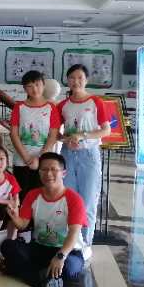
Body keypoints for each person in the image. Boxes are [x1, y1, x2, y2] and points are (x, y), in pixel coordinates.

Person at [0, 152, 87, 287]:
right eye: (44, 169)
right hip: (39, 248)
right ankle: (44, 278)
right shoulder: (33, 195)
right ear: (39, 172)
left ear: (63, 173)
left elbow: (74, 233)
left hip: (67, 251)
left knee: (70, 268)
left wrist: (60, 256)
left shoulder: (74, 199)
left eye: (53, 169)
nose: (48, 174)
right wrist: (14, 216)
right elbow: (22, 225)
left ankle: (25, 272)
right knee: (7, 246)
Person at [58, 64, 111, 260]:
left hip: (89, 155)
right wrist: (66, 139)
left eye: (80, 77)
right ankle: (71, 241)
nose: (76, 81)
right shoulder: (62, 105)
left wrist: (83, 135)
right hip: (67, 155)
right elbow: (56, 134)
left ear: (86, 80)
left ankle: (86, 243)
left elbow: (106, 130)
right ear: (67, 80)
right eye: (72, 77)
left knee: (88, 200)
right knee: (69, 199)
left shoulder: (95, 102)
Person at [10, 70, 62, 204]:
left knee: (41, 196)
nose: (34, 89)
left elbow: (53, 135)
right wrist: (27, 158)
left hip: (43, 161)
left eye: (37, 84)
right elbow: (14, 134)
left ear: (43, 85)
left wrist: (40, 157)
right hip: (21, 160)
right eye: (30, 86)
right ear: (24, 88)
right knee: (22, 196)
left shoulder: (51, 107)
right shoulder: (19, 107)